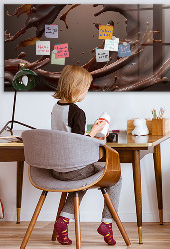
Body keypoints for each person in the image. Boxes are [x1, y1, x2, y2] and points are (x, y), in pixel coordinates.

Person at [51, 65, 121, 246]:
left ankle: (63, 221)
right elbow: (79, 144)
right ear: (78, 88)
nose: (86, 93)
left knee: (81, 180)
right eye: (87, 89)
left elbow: (68, 137)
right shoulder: (77, 112)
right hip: (74, 169)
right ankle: (107, 223)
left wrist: (90, 132)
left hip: (57, 169)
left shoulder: (56, 108)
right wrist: (96, 131)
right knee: (116, 177)